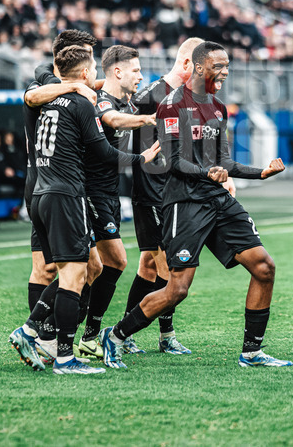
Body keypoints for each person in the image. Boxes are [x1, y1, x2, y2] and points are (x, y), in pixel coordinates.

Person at [100, 41, 292, 370]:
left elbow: (224, 161)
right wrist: (207, 172)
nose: (226, 72)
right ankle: (116, 335)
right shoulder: (171, 105)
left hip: (216, 199)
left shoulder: (218, 108)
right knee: (177, 289)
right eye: (219, 66)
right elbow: (174, 161)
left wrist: (260, 172)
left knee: (264, 267)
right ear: (199, 67)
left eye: (227, 65)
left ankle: (251, 352)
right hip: (185, 203)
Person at [9, 46, 159, 375]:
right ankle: (51, 345)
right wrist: (142, 158)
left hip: (42, 190)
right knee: (72, 273)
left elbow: (36, 90)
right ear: (83, 72)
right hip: (67, 194)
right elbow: (104, 151)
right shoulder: (80, 103)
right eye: (92, 66)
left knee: (85, 268)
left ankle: (41, 336)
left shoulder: (47, 98)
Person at [122, 37, 203, 356]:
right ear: (186, 64)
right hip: (152, 193)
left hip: (170, 193)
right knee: (169, 268)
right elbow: (135, 145)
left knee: (148, 265)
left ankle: (125, 334)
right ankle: (165, 335)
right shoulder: (151, 96)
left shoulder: (185, 98)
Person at [18, 30, 100, 342]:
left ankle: (49, 335)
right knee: (47, 268)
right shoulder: (42, 82)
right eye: (84, 55)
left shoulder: (68, 85)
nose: (89, 63)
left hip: (67, 183)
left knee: (92, 265)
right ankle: (43, 338)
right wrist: (75, 85)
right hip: (43, 181)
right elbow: (31, 97)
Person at [75, 45, 155, 359]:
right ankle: (67, 331)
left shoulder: (126, 100)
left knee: (94, 268)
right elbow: (113, 120)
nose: (140, 76)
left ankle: (74, 333)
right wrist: (147, 119)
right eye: (136, 70)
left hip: (110, 193)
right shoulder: (103, 101)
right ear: (118, 71)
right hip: (91, 191)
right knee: (115, 261)